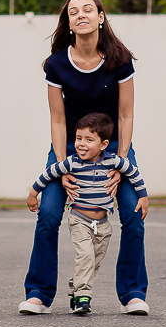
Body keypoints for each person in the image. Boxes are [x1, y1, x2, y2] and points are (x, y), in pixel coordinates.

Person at [19, 0, 151, 316]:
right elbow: (58, 118)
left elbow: (126, 115)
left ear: (100, 17)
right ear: (69, 22)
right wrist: (62, 166)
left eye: (88, 9)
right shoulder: (57, 64)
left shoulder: (120, 59)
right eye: (73, 11)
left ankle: (133, 294)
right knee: (48, 214)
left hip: (113, 148)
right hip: (68, 147)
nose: (81, 14)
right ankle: (38, 293)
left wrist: (120, 162)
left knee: (133, 214)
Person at [26, 112, 148, 315]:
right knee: (85, 257)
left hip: (103, 226)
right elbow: (48, 174)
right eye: (79, 138)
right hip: (79, 220)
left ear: (103, 144)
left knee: (92, 262)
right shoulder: (71, 163)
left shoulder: (114, 161)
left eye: (89, 140)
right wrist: (32, 194)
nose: (81, 144)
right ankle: (83, 297)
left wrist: (143, 196)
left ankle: (76, 289)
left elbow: (134, 173)